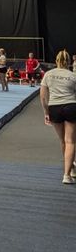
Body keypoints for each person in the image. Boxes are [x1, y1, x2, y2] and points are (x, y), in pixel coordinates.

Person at [39, 50, 76, 184]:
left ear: (56, 61)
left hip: (55, 108)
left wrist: (46, 113)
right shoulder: (73, 76)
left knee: (63, 141)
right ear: (69, 62)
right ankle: (67, 174)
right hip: (71, 107)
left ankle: (71, 167)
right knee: (70, 141)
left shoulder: (48, 74)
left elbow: (43, 97)